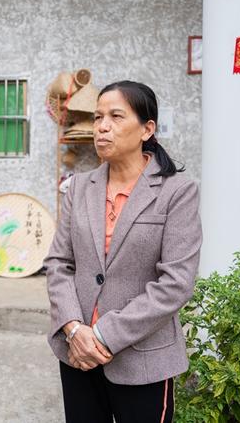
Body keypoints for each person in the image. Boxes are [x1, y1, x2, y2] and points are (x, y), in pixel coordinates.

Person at [45, 80, 202, 422]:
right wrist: (73, 328)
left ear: (147, 129)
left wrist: (102, 335)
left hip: (142, 359)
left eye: (116, 116)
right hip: (78, 355)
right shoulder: (79, 188)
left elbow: (176, 283)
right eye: (99, 116)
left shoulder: (177, 192)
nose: (102, 126)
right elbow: (59, 263)